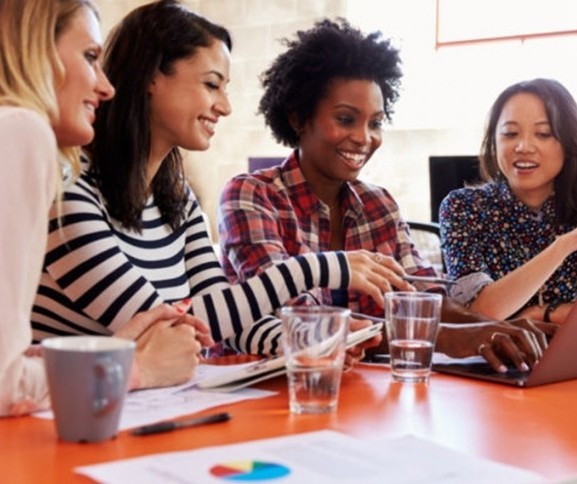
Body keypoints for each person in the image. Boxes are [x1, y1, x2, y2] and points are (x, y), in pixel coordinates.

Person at [31, 0, 397, 360]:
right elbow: (162, 329)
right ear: (151, 77)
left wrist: (313, 339)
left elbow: (226, 322)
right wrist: (322, 267)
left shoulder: (176, 197)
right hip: (61, 415)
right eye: (211, 85)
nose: (225, 106)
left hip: (142, 407)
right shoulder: (67, 185)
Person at [218, 18, 555, 372]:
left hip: (360, 397)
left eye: (375, 123)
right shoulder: (251, 196)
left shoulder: (379, 205)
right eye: (347, 119)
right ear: (299, 117)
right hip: (262, 395)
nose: (365, 138)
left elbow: (424, 298)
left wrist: (495, 329)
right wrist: (448, 338)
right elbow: (301, 321)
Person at [0, 0, 216, 417]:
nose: (106, 87)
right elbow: (5, 385)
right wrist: (136, 367)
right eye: (90, 57)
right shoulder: (21, 132)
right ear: (34, 49)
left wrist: (112, 352)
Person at [440, 78, 577, 324]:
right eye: (510, 133)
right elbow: (479, 313)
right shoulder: (463, 207)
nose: (524, 146)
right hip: (494, 361)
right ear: (494, 140)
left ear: (568, 142)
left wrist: (542, 313)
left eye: (544, 134)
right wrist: (564, 246)